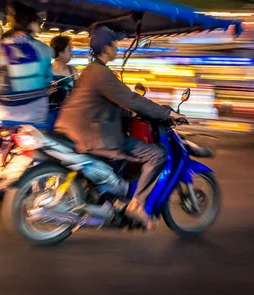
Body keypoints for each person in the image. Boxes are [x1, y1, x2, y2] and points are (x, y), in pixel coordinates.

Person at [54, 25, 188, 229]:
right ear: (107, 48)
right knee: (157, 155)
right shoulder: (101, 73)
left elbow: (107, 103)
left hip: (76, 129)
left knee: (127, 156)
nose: (117, 48)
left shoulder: (91, 71)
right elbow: (131, 99)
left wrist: (128, 113)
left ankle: (114, 199)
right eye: (115, 45)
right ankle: (136, 205)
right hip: (93, 135)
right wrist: (168, 113)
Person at [0, 1, 54, 187]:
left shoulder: (3, 47)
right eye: (38, 22)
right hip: (35, 114)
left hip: (5, 112)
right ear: (30, 24)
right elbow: (47, 82)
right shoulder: (46, 50)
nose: (40, 26)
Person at [48, 35, 78, 128]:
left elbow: (78, 93)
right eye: (69, 50)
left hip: (68, 117)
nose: (72, 54)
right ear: (60, 52)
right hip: (48, 117)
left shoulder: (73, 71)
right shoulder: (45, 71)